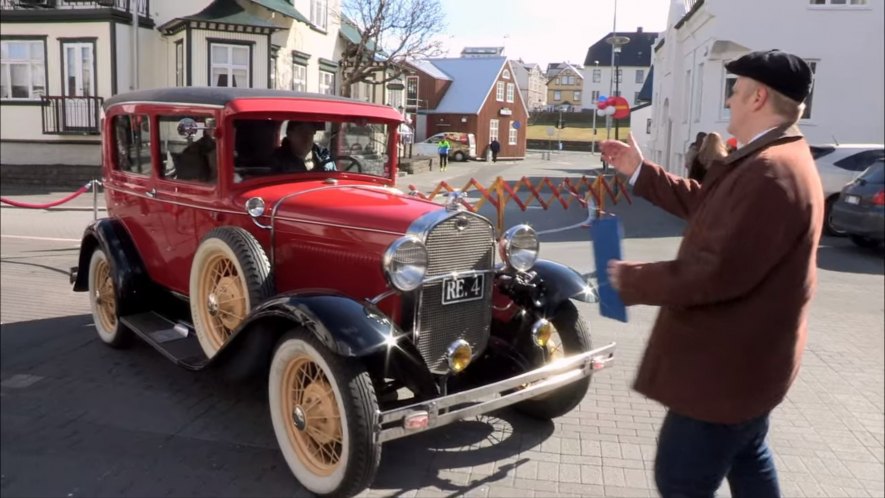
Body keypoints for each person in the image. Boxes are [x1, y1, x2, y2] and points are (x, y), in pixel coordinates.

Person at [600, 49, 823, 498]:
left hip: (723, 375)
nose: (728, 102)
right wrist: (638, 171)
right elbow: (709, 205)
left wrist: (630, 279)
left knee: (680, 480)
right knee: (749, 456)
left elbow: (712, 273)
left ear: (758, 97)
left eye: (734, 92)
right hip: (748, 371)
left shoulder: (770, 173)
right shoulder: (772, 156)